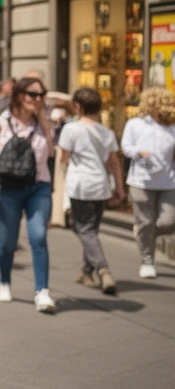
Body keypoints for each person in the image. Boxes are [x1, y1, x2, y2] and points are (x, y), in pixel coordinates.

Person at [0, 77, 56, 312]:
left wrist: (43, 120)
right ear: (19, 96)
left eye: (41, 95)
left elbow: (51, 152)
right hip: (7, 188)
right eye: (33, 95)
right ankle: (4, 282)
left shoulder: (43, 123)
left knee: (38, 236)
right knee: (8, 241)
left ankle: (42, 291)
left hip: (38, 185)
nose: (38, 99)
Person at [57, 87, 123, 294]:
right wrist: (120, 189)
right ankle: (86, 272)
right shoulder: (107, 132)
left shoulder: (71, 129)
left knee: (83, 229)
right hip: (100, 186)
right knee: (91, 231)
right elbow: (114, 162)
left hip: (80, 186)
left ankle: (103, 270)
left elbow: (64, 158)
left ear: (77, 106)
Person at [120, 87, 175, 279]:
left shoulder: (172, 127)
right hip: (140, 181)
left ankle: (144, 232)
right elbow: (126, 147)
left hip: (168, 182)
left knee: (168, 221)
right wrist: (138, 152)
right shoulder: (136, 124)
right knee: (146, 221)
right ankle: (147, 261)